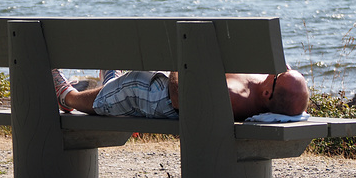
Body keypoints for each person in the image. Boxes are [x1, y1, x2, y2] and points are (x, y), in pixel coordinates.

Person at [52, 66, 309, 121]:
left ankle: (67, 96)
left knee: (129, 85)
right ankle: (110, 79)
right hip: (171, 83)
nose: (278, 67)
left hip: (160, 97)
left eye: (279, 74)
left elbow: (179, 99)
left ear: (267, 93)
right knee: (120, 84)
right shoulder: (263, 84)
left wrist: (181, 61)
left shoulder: (234, 97)